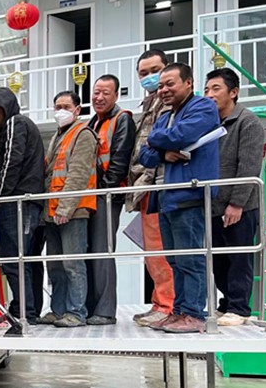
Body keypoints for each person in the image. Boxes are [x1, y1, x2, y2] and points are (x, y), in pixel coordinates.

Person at [139, 63, 220, 334]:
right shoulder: (164, 116)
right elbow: (144, 155)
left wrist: (155, 140)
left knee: (191, 259)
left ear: (188, 83)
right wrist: (163, 152)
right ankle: (179, 311)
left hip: (190, 194)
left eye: (170, 84)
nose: (163, 89)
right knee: (174, 260)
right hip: (166, 197)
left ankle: (194, 314)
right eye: (161, 85)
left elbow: (182, 135)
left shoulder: (203, 107)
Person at [0, 87, 46, 324]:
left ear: (7, 107)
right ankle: (25, 310)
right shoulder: (22, 125)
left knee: (13, 259)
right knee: (25, 260)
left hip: (17, 202)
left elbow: (11, 163)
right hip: (29, 202)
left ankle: (23, 313)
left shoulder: (14, 124)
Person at [204, 67, 264, 326]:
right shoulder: (209, 124)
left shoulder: (247, 121)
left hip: (240, 206)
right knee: (218, 260)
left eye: (216, 88)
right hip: (213, 205)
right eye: (207, 89)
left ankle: (239, 308)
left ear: (234, 92)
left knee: (239, 258)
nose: (209, 94)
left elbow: (249, 166)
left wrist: (237, 203)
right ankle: (226, 304)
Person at [40, 90, 98, 328]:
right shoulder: (59, 135)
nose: (61, 111)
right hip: (53, 211)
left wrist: (65, 208)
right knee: (55, 265)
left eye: (66, 106)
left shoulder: (83, 134)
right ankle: (58, 310)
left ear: (77, 109)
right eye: (57, 107)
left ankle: (76, 312)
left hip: (73, 210)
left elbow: (78, 174)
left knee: (73, 264)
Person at [127, 49, 176, 327]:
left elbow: (162, 144)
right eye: (143, 73)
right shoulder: (148, 105)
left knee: (162, 250)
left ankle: (168, 305)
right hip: (145, 186)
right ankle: (160, 302)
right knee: (152, 252)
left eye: (155, 70)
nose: (149, 77)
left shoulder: (172, 104)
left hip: (160, 184)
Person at [86, 74, 137, 325]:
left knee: (102, 252)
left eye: (105, 93)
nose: (99, 97)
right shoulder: (92, 122)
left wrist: (104, 190)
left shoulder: (122, 119)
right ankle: (89, 308)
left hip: (106, 196)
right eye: (96, 92)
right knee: (88, 253)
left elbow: (119, 160)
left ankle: (105, 311)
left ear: (116, 95)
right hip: (89, 196)